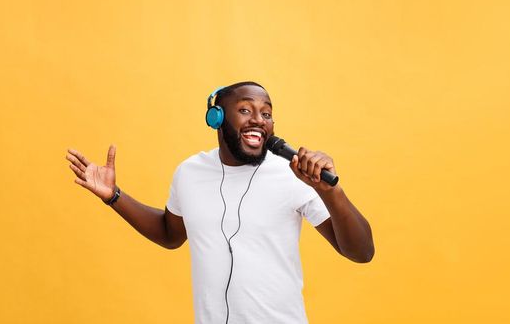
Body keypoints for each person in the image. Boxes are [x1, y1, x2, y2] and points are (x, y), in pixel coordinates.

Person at [66, 81, 374, 324]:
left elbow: (361, 251)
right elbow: (170, 234)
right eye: (245, 110)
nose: (259, 120)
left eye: (266, 113)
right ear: (217, 118)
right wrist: (114, 197)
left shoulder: (293, 175)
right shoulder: (189, 172)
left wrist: (330, 192)